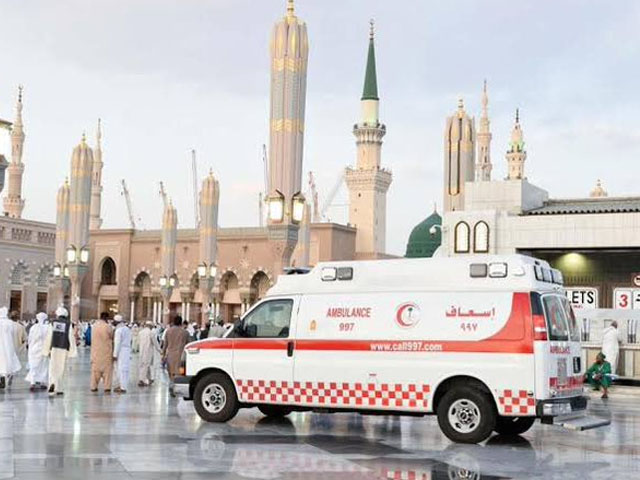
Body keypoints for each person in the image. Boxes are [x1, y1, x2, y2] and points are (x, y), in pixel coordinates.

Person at [42, 307, 77, 396]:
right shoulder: (68, 324)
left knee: (53, 367)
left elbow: (49, 336)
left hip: (54, 347)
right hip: (63, 347)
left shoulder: (53, 323)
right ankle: (59, 388)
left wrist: (46, 350)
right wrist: (72, 351)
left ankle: (52, 384)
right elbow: (71, 338)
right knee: (61, 368)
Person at [90, 312, 114, 393]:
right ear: (106, 318)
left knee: (95, 371)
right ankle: (107, 387)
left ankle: (94, 386)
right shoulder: (108, 327)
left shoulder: (94, 326)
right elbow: (111, 336)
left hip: (95, 351)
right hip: (106, 351)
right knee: (107, 371)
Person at [25, 312, 49, 391]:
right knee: (43, 365)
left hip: (34, 349)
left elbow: (30, 339)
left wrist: (29, 346)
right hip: (44, 349)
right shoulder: (47, 327)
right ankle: (42, 382)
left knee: (33, 365)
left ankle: (33, 382)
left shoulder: (33, 327)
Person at [162, 316, 189, 383]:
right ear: (181, 322)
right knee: (179, 373)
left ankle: (172, 385)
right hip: (181, 356)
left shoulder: (168, 331)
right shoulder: (185, 332)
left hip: (170, 356)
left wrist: (163, 355)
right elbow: (188, 345)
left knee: (171, 373)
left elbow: (165, 345)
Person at [0, 307, 21, 390]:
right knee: (7, 360)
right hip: (8, 344)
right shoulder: (10, 323)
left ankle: (1, 379)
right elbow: (13, 333)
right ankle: (5, 376)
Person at [113, 314, 132, 393]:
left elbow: (117, 343)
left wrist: (115, 355)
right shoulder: (127, 329)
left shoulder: (119, 330)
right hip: (127, 350)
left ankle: (123, 387)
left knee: (121, 369)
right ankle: (122, 385)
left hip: (121, 350)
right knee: (125, 369)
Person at [137, 322, 157, 387]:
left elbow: (138, 342)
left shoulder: (140, 332)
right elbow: (155, 343)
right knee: (146, 365)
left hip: (141, 351)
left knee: (142, 365)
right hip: (148, 351)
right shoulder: (151, 333)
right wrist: (160, 350)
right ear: (150, 326)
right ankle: (143, 380)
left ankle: (149, 378)